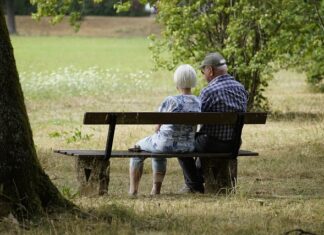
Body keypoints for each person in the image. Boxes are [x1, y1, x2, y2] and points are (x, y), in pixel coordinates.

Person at [178, 52, 249, 193]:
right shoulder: (241, 89)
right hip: (233, 144)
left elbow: (196, 117)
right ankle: (198, 179)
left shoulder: (209, 91)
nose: (203, 75)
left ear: (210, 70)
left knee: (181, 144)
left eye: (203, 71)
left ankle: (194, 185)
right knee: (199, 141)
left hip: (211, 143)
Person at [129, 64, 201, 196]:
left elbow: (157, 127)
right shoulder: (198, 102)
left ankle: (133, 191)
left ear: (177, 82)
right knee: (157, 150)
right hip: (187, 147)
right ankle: (155, 190)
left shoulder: (171, 100)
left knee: (138, 148)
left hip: (164, 144)